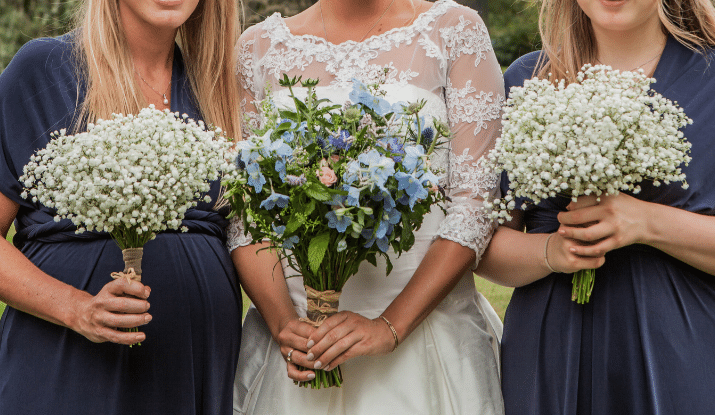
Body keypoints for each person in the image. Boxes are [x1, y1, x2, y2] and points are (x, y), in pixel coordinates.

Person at [229, 0, 505, 413]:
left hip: (426, 342)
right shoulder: (256, 49)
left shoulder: (453, 30)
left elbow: (475, 205)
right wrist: (285, 324)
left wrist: (390, 327)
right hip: (300, 346)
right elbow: (243, 214)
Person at [0, 0, 241, 413]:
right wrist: (77, 308)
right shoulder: (43, 71)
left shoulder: (220, 88)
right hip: (68, 375)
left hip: (192, 374)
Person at [475, 0, 715, 413]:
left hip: (680, 346)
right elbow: (482, 248)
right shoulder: (525, 80)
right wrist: (552, 252)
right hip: (550, 351)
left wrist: (646, 222)